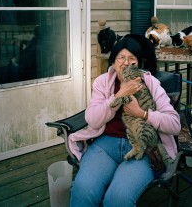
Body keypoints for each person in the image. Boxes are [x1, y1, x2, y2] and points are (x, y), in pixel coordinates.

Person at [68, 36, 181, 207]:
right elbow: (92, 119)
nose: (126, 63)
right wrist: (119, 95)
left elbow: (174, 124)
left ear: (138, 63)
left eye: (131, 59)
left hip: (142, 148)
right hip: (105, 145)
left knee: (117, 198)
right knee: (83, 189)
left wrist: (143, 114)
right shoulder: (102, 83)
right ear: (113, 62)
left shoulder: (150, 83)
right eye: (121, 58)